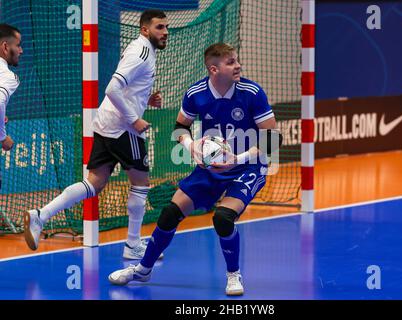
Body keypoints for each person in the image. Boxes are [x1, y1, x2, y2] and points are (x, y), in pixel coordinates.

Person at [108, 43, 282, 296]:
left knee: (222, 218)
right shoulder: (196, 93)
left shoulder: (252, 92)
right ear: (214, 69)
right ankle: (144, 269)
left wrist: (238, 158)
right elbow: (180, 128)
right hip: (212, 166)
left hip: (249, 166)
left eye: (236, 60)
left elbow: (273, 139)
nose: (238, 65)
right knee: (169, 213)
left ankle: (233, 274)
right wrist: (191, 146)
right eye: (231, 62)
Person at [23, 9, 169, 261]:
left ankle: (41, 215)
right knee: (141, 184)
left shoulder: (142, 49)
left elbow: (127, 88)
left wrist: (147, 98)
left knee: (95, 183)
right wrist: (134, 118)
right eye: (159, 27)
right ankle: (133, 245)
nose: (165, 32)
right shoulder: (142, 53)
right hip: (123, 127)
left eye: (166, 27)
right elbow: (112, 88)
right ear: (145, 29)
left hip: (105, 122)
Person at [0, 24, 22, 155]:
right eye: (18, 45)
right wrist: (2, 137)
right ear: (5, 47)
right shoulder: (8, 77)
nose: (21, 51)